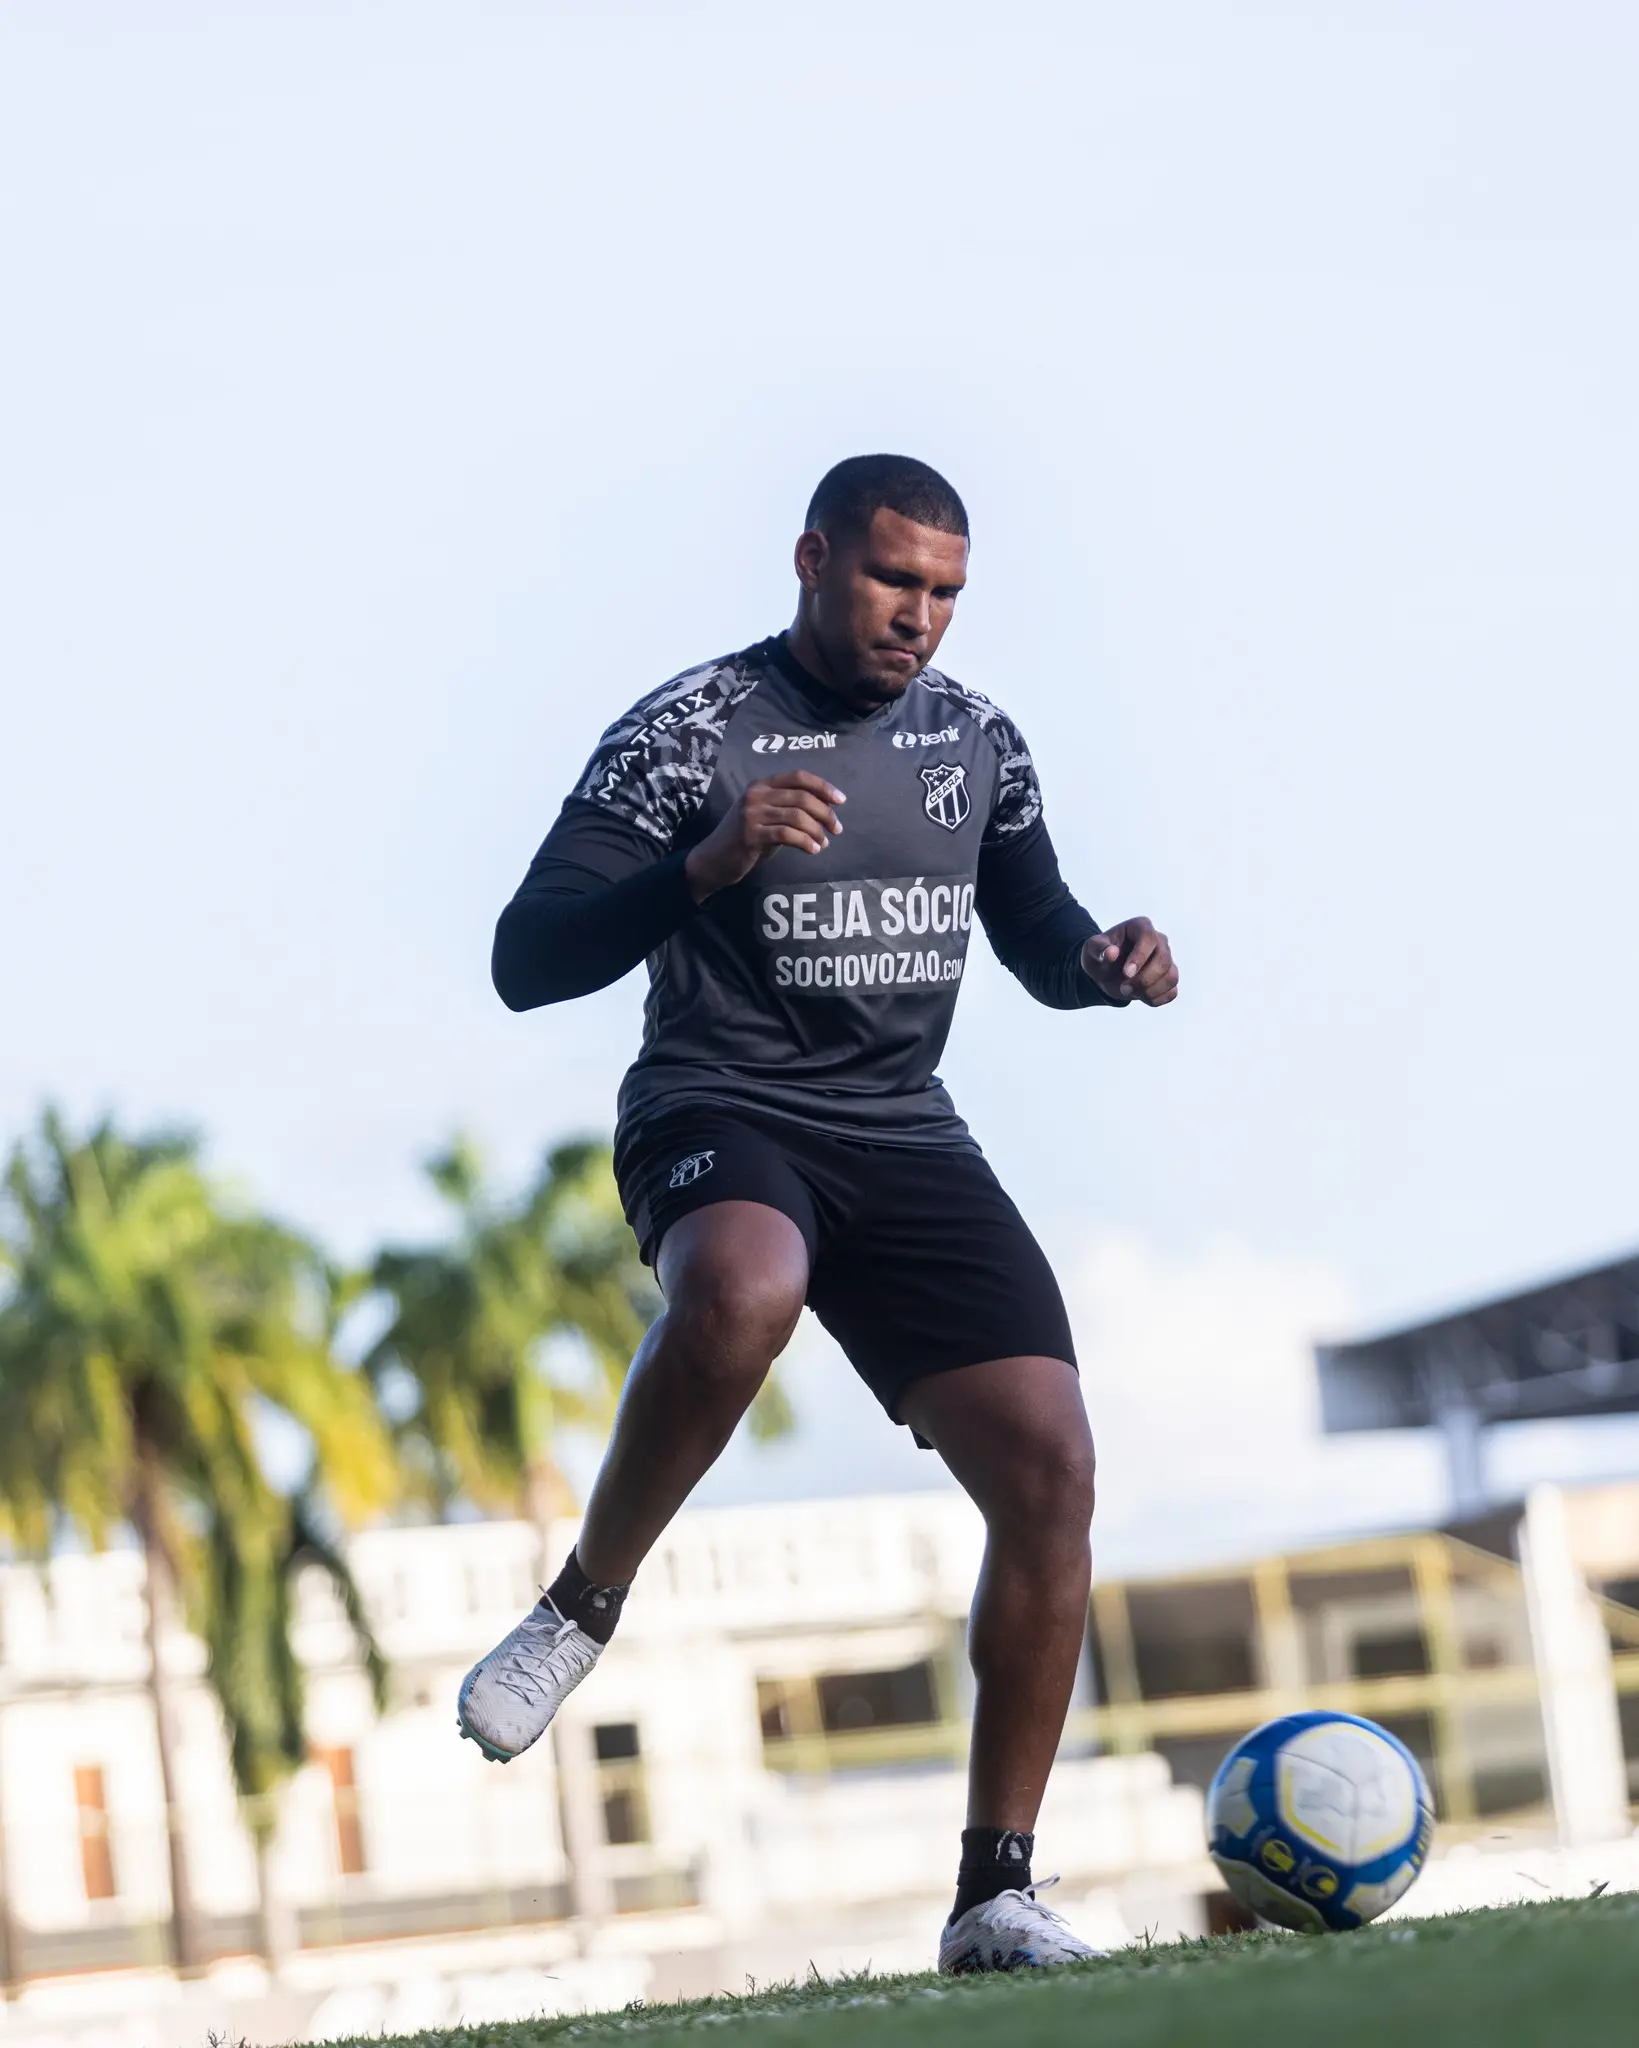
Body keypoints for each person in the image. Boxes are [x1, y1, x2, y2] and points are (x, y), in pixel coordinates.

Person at [458, 454, 1178, 1974]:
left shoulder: (975, 744)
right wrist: (706, 861)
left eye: (943, 593)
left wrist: (1101, 962)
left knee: (1049, 1464)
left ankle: (993, 1892)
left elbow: (1035, 932)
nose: (917, 617)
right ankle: (582, 1607)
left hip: (901, 1132)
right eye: (890, 580)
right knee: (739, 1288)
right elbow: (529, 958)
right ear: (811, 559)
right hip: (718, 1104)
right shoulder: (685, 736)